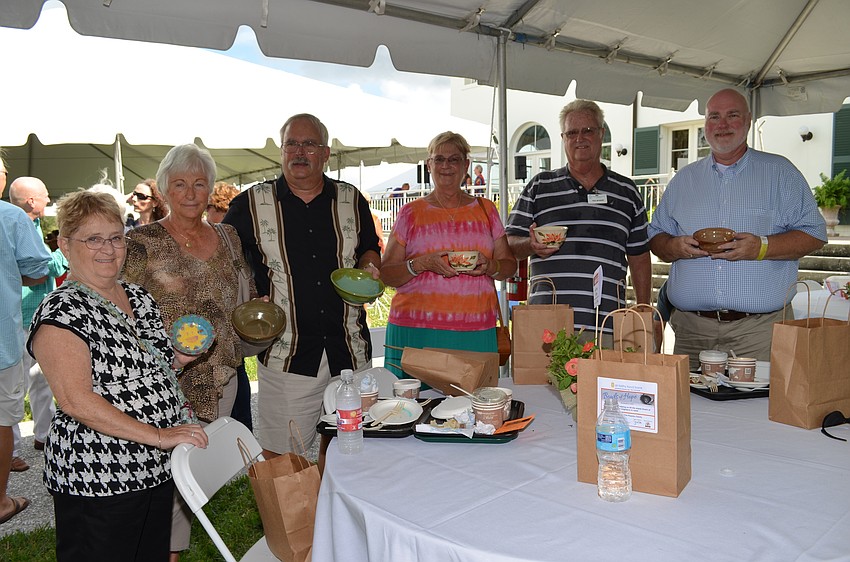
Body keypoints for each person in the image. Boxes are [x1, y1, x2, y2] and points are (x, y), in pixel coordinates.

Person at [27, 189, 206, 560]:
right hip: (100, 477)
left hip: (153, 469)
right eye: (93, 239)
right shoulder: (62, 311)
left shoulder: (137, 296)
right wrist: (158, 435)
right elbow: (76, 401)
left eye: (115, 238)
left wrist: (179, 360)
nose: (108, 249)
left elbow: (147, 367)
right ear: (64, 244)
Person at [122, 143, 256, 561]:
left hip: (223, 376)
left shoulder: (228, 235)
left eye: (200, 183)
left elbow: (244, 294)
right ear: (164, 188)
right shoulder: (141, 242)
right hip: (167, 381)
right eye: (180, 184)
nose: (191, 193)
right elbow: (120, 307)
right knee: (165, 480)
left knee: (193, 477)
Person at [223, 113, 381, 457]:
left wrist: (370, 266)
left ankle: (334, 511)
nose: (299, 151)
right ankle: (289, 513)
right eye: (291, 144)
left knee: (351, 452)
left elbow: (370, 246)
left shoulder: (350, 199)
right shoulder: (250, 204)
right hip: (287, 355)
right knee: (282, 460)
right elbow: (224, 257)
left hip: (349, 352)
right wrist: (247, 293)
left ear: (325, 153)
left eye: (308, 144)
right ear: (281, 151)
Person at [648, 88, 827, 369]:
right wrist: (674, 247)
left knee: (759, 410)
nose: (722, 125)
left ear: (748, 120)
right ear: (705, 125)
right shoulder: (684, 180)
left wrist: (762, 247)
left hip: (758, 332)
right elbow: (656, 236)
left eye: (732, 115)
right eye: (714, 117)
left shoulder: (780, 173)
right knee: (687, 410)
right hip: (692, 332)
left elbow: (814, 234)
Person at [506, 99, 652, 346]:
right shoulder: (540, 186)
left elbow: (639, 256)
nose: (579, 138)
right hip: (547, 325)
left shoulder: (627, 191)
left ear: (601, 134)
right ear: (563, 138)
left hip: (607, 323)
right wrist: (531, 246)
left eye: (588, 130)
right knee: (541, 386)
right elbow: (510, 243)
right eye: (572, 132)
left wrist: (644, 309)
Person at [381, 131, 516, 377]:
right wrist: (419, 264)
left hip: (475, 330)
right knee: (411, 409)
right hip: (415, 329)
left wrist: (489, 266)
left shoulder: (486, 210)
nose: (446, 166)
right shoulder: (410, 213)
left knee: (476, 408)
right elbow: (387, 274)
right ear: (429, 165)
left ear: (466, 165)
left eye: (454, 159)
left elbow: (509, 266)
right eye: (439, 159)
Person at [0, 157, 50, 526]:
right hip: (2, 339)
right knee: (2, 420)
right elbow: (37, 270)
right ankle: (0, 502)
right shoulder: (12, 218)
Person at [8, 177, 68, 465]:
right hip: (20, 316)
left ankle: (44, 433)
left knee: (42, 379)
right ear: (31, 201)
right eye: (45, 195)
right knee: (15, 384)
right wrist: (65, 249)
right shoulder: (14, 223)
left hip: (37, 315)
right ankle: (11, 450)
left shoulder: (29, 224)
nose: (48, 200)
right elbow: (43, 268)